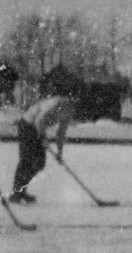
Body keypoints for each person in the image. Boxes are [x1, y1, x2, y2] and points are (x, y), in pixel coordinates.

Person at [9, 66, 83, 204]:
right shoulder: (58, 102)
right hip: (27, 125)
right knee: (27, 160)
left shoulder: (68, 112)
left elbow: (61, 133)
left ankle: (21, 191)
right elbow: (39, 119)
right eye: (74, 99)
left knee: (39, 164)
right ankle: (16, 194)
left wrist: (60, 152)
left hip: (37, 129)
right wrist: (42, 137)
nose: (75, 103)